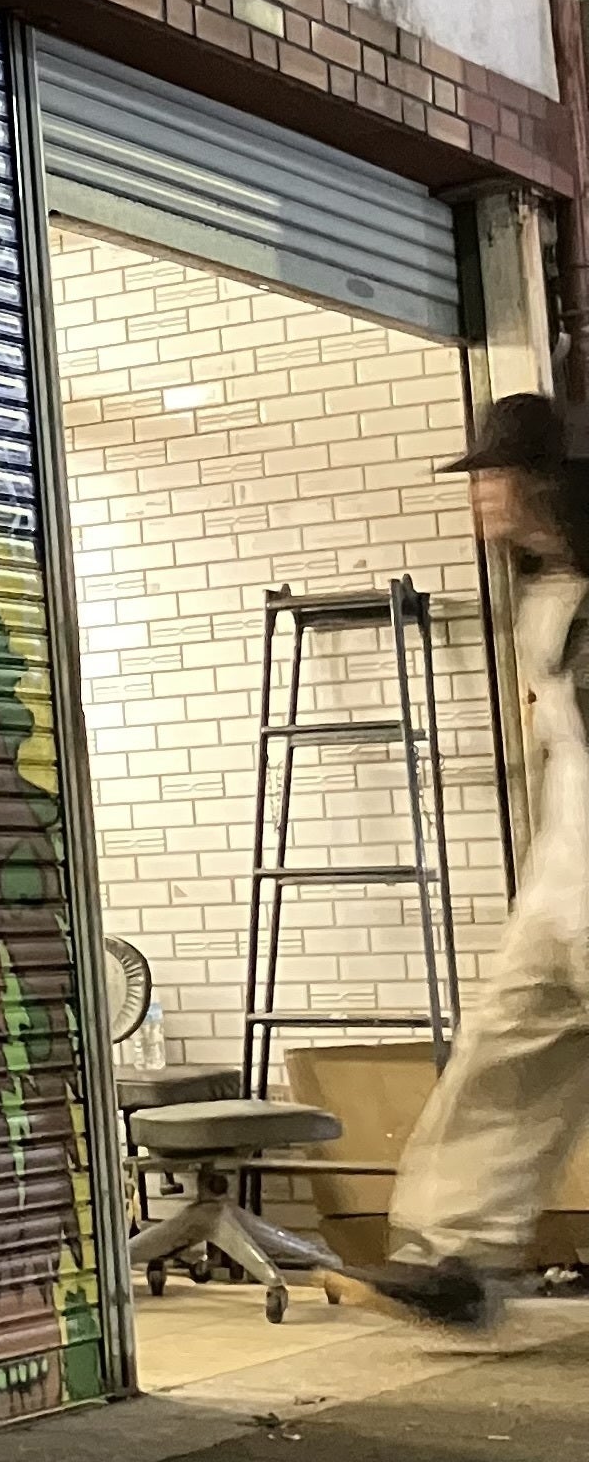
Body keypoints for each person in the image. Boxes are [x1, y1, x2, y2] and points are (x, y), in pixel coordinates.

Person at [355, 391, 589, 1326]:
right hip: (565, 876)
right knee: (502, 1053)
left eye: (493, 476)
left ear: (542, 480)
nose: (479, 494)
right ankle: (456, 1257)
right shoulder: (547, 589)